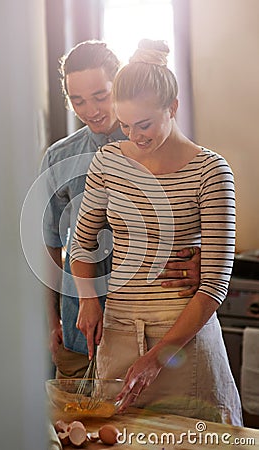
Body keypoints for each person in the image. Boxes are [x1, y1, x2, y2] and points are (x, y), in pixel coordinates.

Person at [70, 39, 243, 425]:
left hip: (185, 340)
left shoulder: (211, 172)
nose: (135, 136)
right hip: (117, 334)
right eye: (126, 125)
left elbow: (214, 286)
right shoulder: (108, 161)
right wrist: (87, 300)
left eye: (145, 124)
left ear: (173, 108)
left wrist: (155, 359)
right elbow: (81, 244)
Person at [42, 40, 201, 380]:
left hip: (156, 320)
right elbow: (52, 245)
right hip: (81, 323)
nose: (91, 110)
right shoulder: (59, 159)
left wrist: (199, 256)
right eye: (78, 100)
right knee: (83, 425)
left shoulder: (164, 148)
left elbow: (194, 221)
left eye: (100, 96)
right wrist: (52, 318)